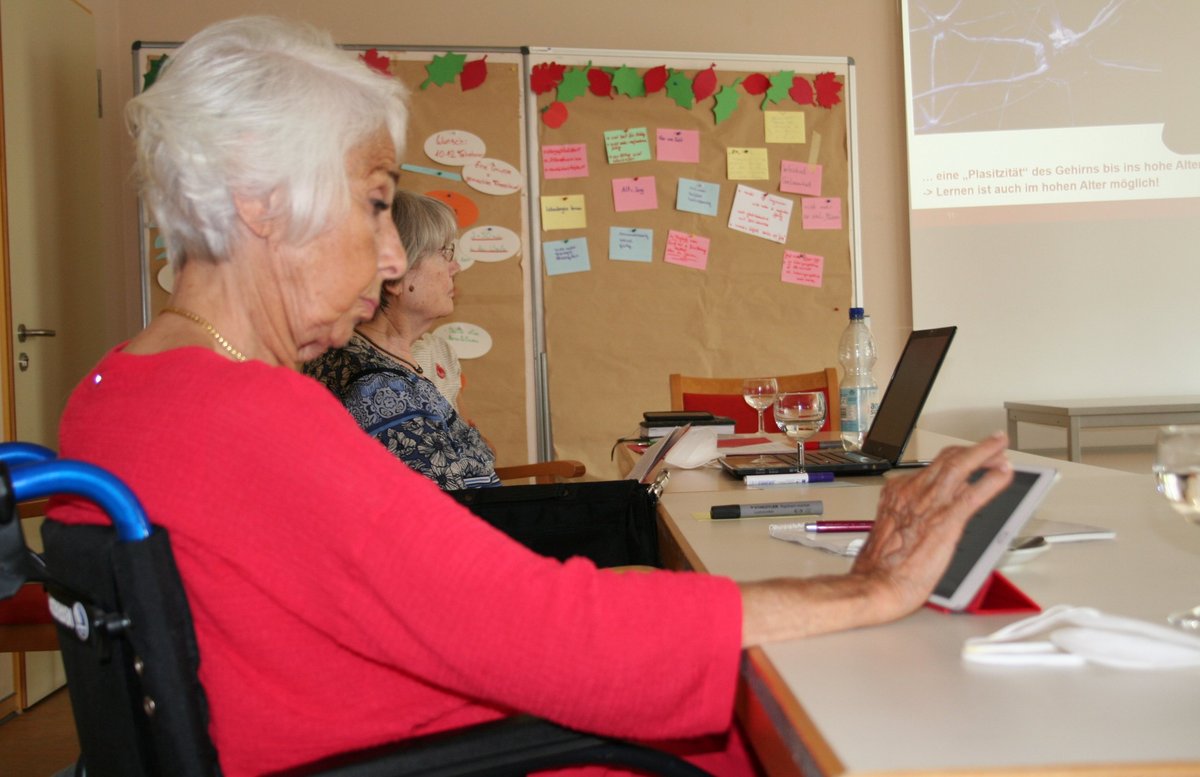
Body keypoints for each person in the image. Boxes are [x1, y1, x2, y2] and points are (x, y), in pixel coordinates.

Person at [49, 15, 1015, 777]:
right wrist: (868, 588)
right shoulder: (251, 415)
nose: (392, 259)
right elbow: (559, 639)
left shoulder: (112, 394)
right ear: (262, 200)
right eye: (378, 200)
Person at [304, 191, 498, 489]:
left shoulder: (378, 359)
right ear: (395, 278)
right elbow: (439, 508)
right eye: (443, 252)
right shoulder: (373, 386)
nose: (455, 267)